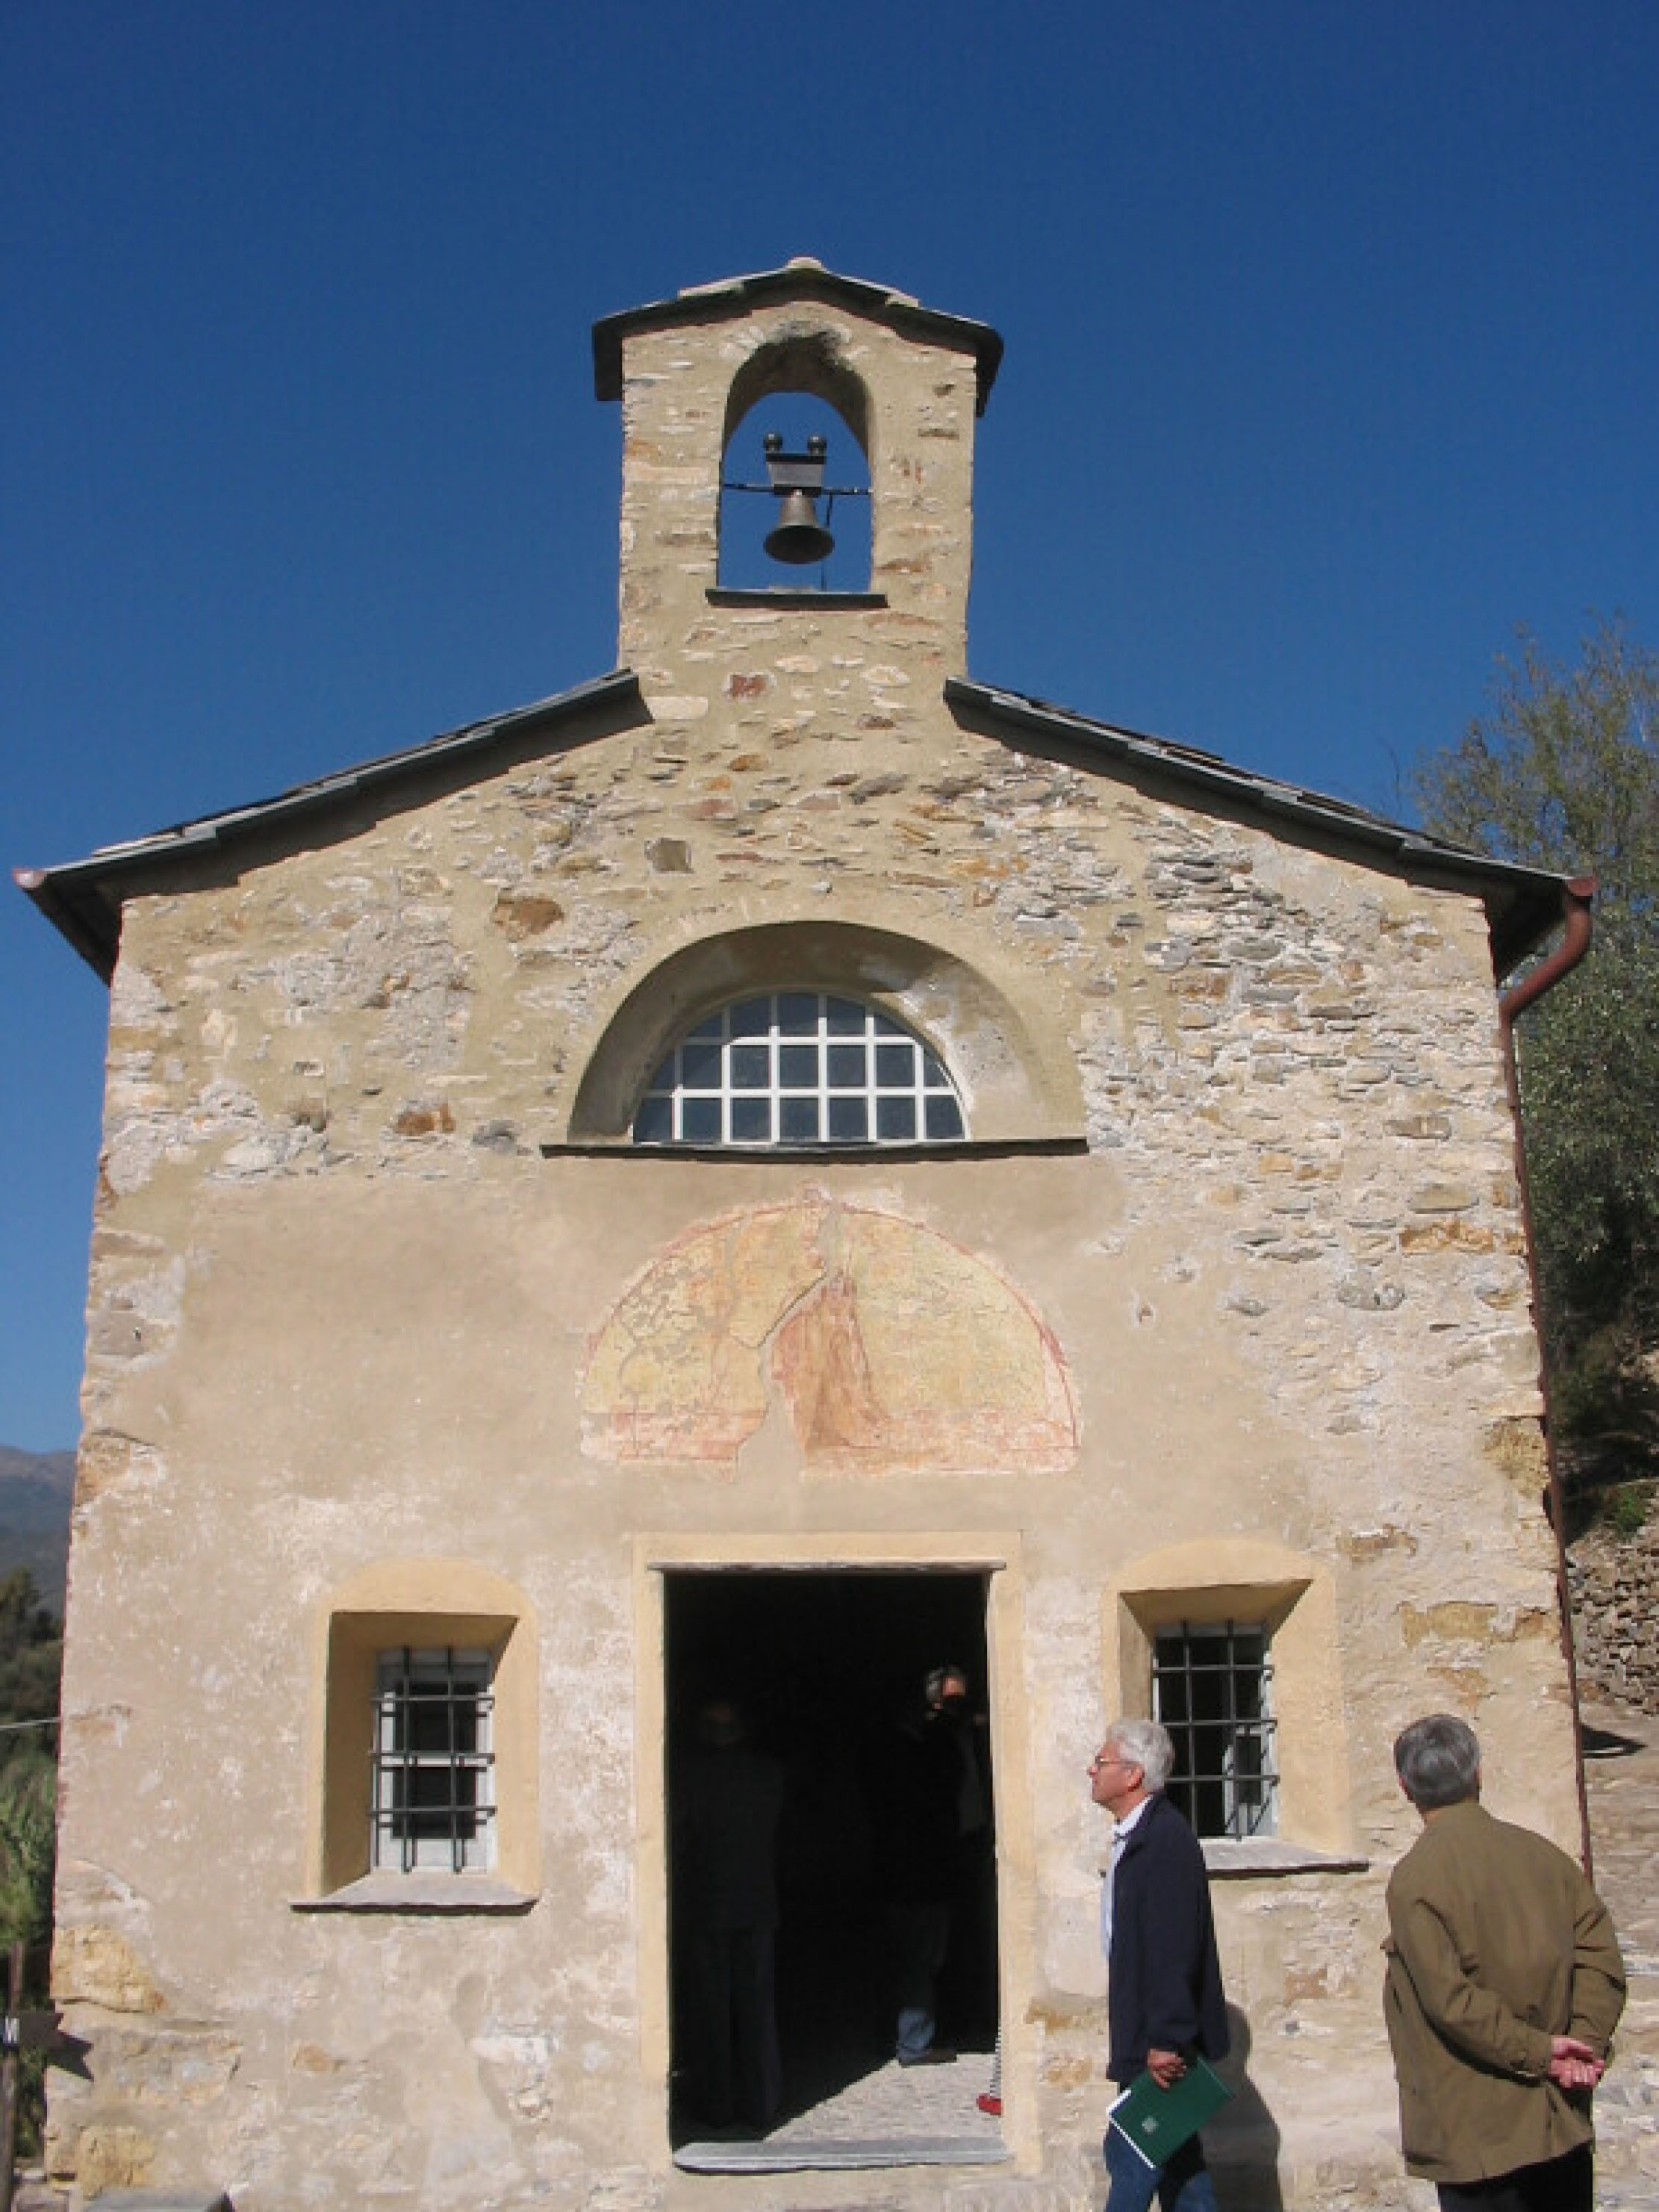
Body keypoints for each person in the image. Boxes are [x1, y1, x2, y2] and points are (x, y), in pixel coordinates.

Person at [1383, 1713, 1626, 2211]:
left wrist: (1546, 2051)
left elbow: (1451, 2001)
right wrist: (1584, 2041)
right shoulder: (1545, 1857)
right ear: (1477, 1774)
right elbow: (1601, 1956)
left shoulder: (1416, 1881)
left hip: (1479, 2134)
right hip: (1558, 2118)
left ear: (1406, 1788)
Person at [1091, 1717, 1228, 2212]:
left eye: (1101, 1761)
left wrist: (1167, 2037)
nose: (1092, 1769)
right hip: (1146, 2033)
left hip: (1159, 2044)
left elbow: (1174, 1947)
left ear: (1131, 1774)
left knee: (1130, 2156)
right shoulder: (1136, 1835)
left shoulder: (1164, 1841)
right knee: (1181, 2167)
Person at [673, 1697, 785, 2131]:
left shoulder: (690, 1777)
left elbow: (682, 1839)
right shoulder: (768, 1774)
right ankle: (762, 2103)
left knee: (711, 2012)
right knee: (757, 2009)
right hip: (757, 1901)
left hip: (707, 1905)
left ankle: (716, 2104)